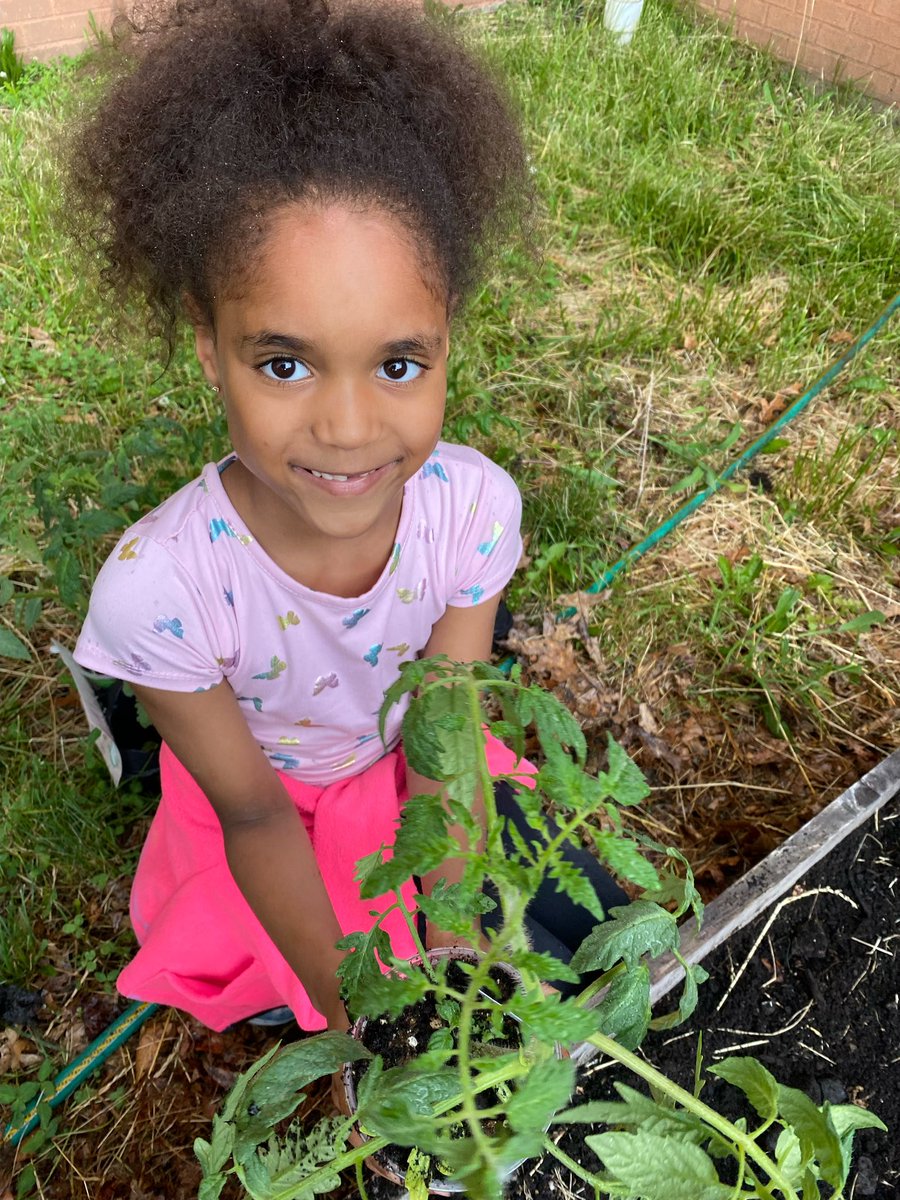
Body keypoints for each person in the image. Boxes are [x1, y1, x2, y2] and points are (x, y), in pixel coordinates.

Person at [68, 0, 627, 1035]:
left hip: (413, 781)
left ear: (448, 339)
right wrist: (367, 1017)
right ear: (207, 346)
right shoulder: (161, 593)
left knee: (547, 945)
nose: (350, 428)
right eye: (285, 364)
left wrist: (457, 924)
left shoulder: (470, 513)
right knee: (328, 996)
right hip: (269, 816)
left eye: (400, 364)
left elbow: (446, 726)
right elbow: (253, 812)